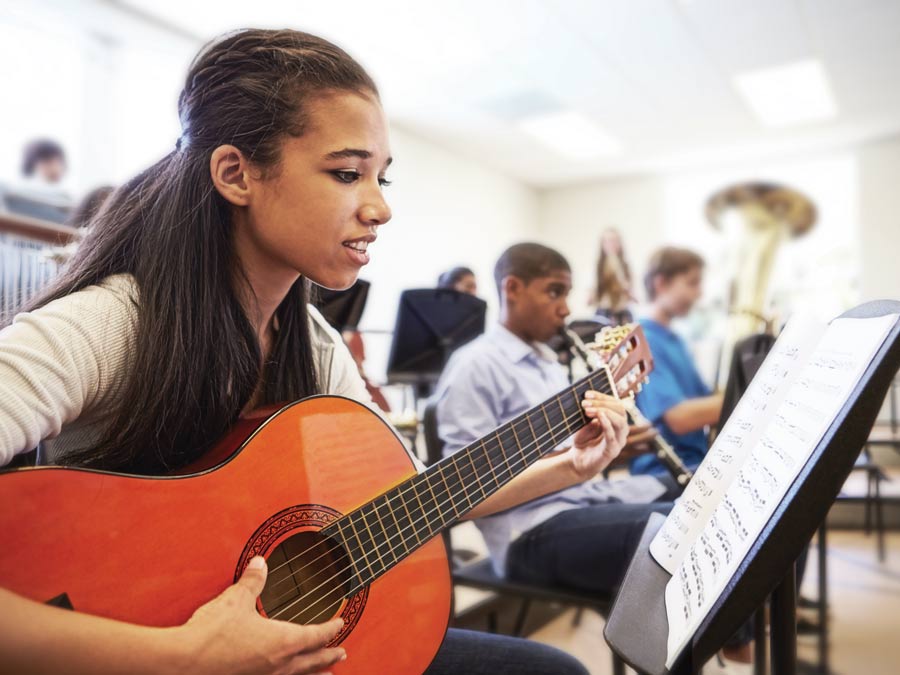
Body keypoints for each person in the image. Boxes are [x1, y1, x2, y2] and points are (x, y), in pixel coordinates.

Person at [0, 29, 630, 675]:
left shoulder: (316, 345)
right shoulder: (113, 323)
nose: (380, 207)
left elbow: (406, 498)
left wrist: (567, 468)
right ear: (236, 174)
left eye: (381, 178)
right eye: (347, 173)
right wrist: (182, 655)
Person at [434, 243, 674, 596]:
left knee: (699, 493)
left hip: (579, 499)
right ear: (512, 288)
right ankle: (735, 641)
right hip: (527, 532)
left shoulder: (548, 363)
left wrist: (611, 448)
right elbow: (463, 487)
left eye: (567, 294)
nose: (565, 309)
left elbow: (566, 449)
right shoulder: (475, 365)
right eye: (554, 292)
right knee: (680, 526)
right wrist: (571, 462)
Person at [631, 247, 724, 477]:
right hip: (663, 471)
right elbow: (680, 418)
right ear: (661, 283)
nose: (699, 294)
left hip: (694, 462)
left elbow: (706, 401)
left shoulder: (675, 339)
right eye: (692, 283)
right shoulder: (644, 340)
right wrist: (751, 399)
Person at [590, 227, 633, 326]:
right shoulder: (598, 266)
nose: (611, 244)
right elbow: (592, 297)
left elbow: (631, 294)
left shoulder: (625, 265)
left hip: (622, 313)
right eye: (608, 241)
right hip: (604, 313)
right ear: (602, 244)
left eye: (614, 241)